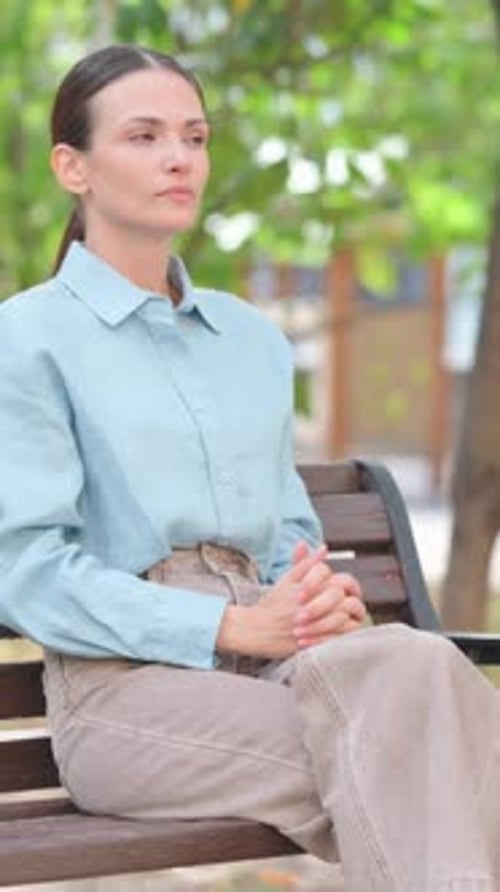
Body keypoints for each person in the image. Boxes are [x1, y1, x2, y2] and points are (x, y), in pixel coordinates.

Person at [0, 43, 499, 892]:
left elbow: (290, 533)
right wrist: (225, 629)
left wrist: (313, 591)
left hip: (288, 666)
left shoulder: (250, 340)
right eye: (145, 136)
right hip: (129, 699)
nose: (178, 158)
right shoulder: (26, 340)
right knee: (438, 752)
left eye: (193, 137)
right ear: (71, 167)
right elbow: (29, 571)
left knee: (416, 669)